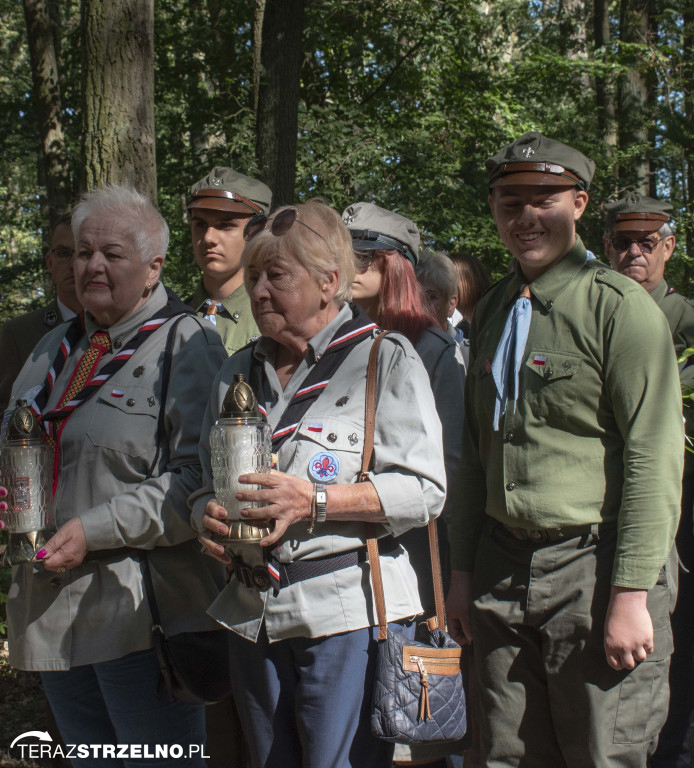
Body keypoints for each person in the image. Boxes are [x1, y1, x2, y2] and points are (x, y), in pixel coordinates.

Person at [446, 132, 684, 767]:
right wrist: (463, 573)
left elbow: (652, 458)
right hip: (501, 570)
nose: (526, 217)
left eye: (543, 198)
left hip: (595, 570)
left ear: (579, 203)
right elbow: (475, 453)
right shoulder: (492, 312)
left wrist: (631, 594)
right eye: (509, 201)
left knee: (603, 754)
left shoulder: (621, 310)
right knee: (505, 754)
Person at [190, 199, 445, 768]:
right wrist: (203, 513)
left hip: (344, 616)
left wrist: (317, 501)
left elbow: (425, 490)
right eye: (253, 277)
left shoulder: (385, 358)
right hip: (251, 611)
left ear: (330, 281)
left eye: (275, 276)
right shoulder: (236, 372)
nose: (257, 292)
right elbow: (201, 482)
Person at [3, 185, 228, 766]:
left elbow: (197, 483)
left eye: (111, 253)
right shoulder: (55, 348)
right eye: (81, 253)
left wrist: (93, 529)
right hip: (50, 612)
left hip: (136, 621)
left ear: (153, 268)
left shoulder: (187, 342)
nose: (91, 266)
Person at [343, 202, 465, 768]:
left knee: (417, 721)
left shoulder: (433, 350)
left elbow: (452, 473)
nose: (349, 265)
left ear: (398, 267)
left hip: (416, 563)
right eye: (344, 252)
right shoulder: (332, 348)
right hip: (349, 565)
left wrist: (456, 580)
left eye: (364, 254)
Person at [603, 193, 694, 768]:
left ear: (670, 247)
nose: (635, 253)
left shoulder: (685, 319)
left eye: (648, 242)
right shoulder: (593, 309)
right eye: (622, 242)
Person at [186, 166, 272, 355]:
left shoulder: (273, 320)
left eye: (225, 225)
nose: (209, 237)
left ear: (257, 230)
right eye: (200, 224)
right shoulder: (173, 318)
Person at [0, 215, 81, 412]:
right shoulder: (17, 335)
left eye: (83, 253)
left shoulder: (118, 328)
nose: (73, 264)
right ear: (49, 262)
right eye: (63, 253)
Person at [416, 250, 467, 368]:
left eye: (431, 297)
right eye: (416, 296)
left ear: (451, 304)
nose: (421, 304)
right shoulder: (402, 347)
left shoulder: (466, 353)